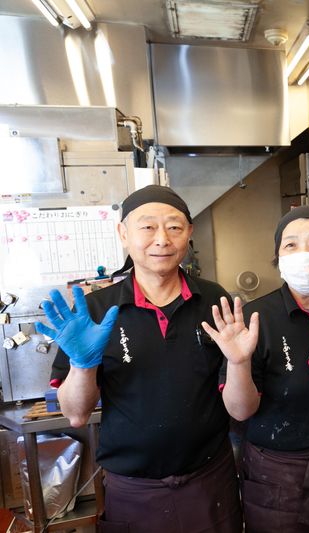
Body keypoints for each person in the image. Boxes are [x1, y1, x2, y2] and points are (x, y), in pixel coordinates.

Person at [42, 185, 242, 533]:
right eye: (147, 227)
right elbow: (75, 414)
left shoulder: (214, 300)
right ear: (123, 233)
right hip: (133, 488)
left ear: (189, 233)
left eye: (174, 227)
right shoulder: (96, 309)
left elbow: (235, 396)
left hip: (211, 480)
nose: (162, 239)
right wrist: (82, 365)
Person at [202, 205, 309, 532]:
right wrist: (239, 362)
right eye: (290, 245)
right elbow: (240, 410)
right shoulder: (257, 318)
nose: (303, 253)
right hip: (277, 477)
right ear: (278, 257)